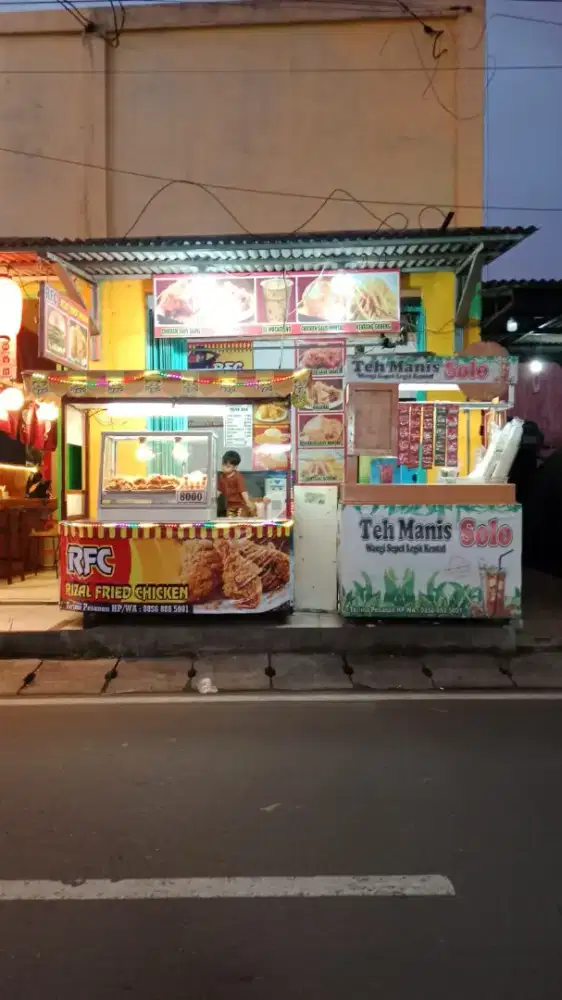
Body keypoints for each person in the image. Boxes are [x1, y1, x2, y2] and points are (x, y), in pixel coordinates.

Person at [217, 450, 254, 517]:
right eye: (223, 465)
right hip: (230, 505)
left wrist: (248, 501)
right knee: (230, 521)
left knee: (239, 521)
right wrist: (212, 499)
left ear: (235, 467)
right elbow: (219, 490)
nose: (224, 468)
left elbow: (243, 490)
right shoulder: (222, 477)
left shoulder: (238, 477)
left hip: (241, 505)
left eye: (228, 466)